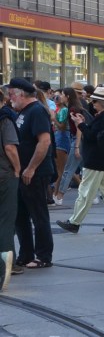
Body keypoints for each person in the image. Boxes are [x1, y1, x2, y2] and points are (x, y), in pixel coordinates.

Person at [56, 87, 104, 233]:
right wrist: (83, 124)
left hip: (95, 160)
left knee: (85, 192)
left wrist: (80, 125)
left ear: (102, 102)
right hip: (103, 160)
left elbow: (91, 136)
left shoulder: (103, 117)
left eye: (95, 100)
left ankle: (75, 222)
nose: (92, 103)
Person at [10, 78, 55, 269]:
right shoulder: (23, 112)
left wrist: (31, 168)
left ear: (21, 94)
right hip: (23, 172)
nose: (10, 98)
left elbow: (44, 141)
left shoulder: (36, 111)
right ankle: (26, 253)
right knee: (21, 215)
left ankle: (43, 256)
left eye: (12, 94)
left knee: (38, 215)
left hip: (34, 173)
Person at [54, 87, 91, 205]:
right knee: (87, 169)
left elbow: (79, 128)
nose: (60, 96)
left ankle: (59, 196)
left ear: (68, 96)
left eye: (62, 94)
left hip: (77, 140)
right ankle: (92, 195)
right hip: (79, 140)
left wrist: (76, 146)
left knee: (68, 169)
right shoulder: (73, 108)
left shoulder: (73, 109)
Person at [0, 89, 20, 290]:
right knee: (6, 219)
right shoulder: (5, 120)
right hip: (4, 175)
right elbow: (10, 148)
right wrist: (17, 168)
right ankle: (4, 264)